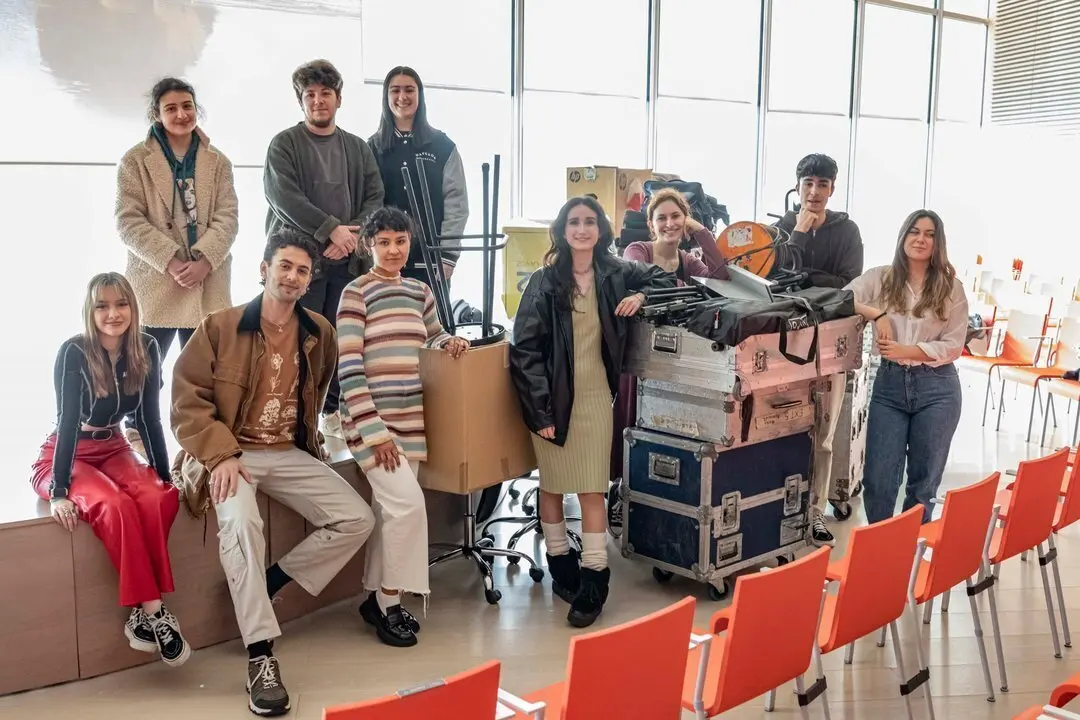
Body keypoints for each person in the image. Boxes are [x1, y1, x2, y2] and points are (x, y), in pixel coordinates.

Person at [171, 229, 376, 717]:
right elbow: (185, 403)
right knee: (242, 525)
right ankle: (260, 655)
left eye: (302, 270)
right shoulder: (219, 326)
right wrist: (220, 456)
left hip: (286, 451)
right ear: (264, 269)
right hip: (232, 452)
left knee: (358, 518)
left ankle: (270, 581)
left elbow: (317, 392)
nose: (293, 276)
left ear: (309, 281)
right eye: (284, 265)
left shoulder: (319, 331)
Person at [509, 196, 676, 628]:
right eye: (573, 222)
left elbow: (666, 279)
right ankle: (560, 559)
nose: (582, 229)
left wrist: (640, 295)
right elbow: (524, 350)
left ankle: (595, 575)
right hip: (552, 401)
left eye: (589, 221)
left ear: (600, 229)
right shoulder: (544, 281)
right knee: (551, 486)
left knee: (591, 489)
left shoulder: (617, 272)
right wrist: (540, 411)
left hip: (597, 397)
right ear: (562, 230)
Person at [30, 272, 189, 668]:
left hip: (114, 445)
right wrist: (60, 491)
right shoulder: (74, 352)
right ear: (90, 310)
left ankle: (140, 615)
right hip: (68, 453)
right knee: (115, 506)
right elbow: (68, 422)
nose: (112, 314)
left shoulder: (146, 347)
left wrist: (163, 474)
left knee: (158, 497)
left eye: (121, 304)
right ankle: (154, 611)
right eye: (102, 306)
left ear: (133, 307)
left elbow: (149, 418)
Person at [337, 206, 470, 648]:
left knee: (390, 513)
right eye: (384, 242)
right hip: (372, 424)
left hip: (411, 419)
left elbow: (431, 334)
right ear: (368, 246)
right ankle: (389, 603)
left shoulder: (419, 290)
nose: (393, 250)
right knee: (408, 509)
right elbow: (349, 366)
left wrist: (448, 341)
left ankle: (375, 599)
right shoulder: (356, 293)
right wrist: (374, 432)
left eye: (400, 241)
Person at [264, 59, 386, 441]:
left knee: (338, 341)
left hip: (347, 262)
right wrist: (331, 231)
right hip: (299, 265)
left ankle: (330, 411)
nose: (318, 101)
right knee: (295, 342)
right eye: (310, 95)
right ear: (300, 101)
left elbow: (375, 197)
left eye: (325, 94)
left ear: (339, 99)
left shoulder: (358, 148)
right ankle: (292, 420)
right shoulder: (284, 144)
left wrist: (348, 238)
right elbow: (284, 197)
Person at [116, 76, 238, 451]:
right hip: (157, 282)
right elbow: (127, 220)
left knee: (205, 371)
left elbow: (228, 218)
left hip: (206, 280)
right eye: (171, 108)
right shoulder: (135, 160)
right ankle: (138, 430)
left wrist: (204, 260)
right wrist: (170, 261)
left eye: (187, 106)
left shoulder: (218, 161)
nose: (181, 114)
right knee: (145, 368)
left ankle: (200, 436)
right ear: (157, 114)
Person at [847, 210, 968, 525]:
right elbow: (842, 298)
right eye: (914, 231)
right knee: (878, 480)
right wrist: (876, 315)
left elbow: (953, 344)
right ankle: (881, 545)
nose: (921, 239)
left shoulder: (952, 288)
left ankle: (912, 546)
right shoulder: (881, 278)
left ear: (938, 243)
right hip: (889, 386)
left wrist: (908, 350)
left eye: (929, 234)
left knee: (923, 484)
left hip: (938, 389)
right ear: (903, 236)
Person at [773, 153, 865, 546]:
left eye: (822, 184)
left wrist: (804, 278)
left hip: (830, 344)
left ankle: (814, 512)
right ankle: (779, 509)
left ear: (832, 189)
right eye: (808, 183)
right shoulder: (780, 229)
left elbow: (848, 285)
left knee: (823, 434)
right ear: (797, 186)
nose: (814, 191)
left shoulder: (847, 231)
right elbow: (773, 279)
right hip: (784, 348)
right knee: (781, 430)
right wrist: (797, 235)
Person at [368, 66, 468, 289]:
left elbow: (456, 203)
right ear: (386, 97)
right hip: (386, 261)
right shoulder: (372, 147)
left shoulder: (443, 146)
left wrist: (448, 255)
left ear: (420, 95)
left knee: (431, 313)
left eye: (409, 90)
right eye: (395, 90)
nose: (402, 96)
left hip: (432, 262)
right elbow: (367, 203)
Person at [622, 187, 730, 282]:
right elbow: (643, 280)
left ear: (686, 220)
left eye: (675, 216)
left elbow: (719, 281)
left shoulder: (688, 262)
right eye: (661, 218)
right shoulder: (636, 250)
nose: (669, 224)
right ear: (651, 226)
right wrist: (684, 286)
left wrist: (702, 232)